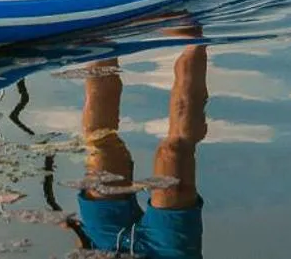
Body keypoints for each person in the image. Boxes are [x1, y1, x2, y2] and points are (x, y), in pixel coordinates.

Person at [75, 34, 209, 258]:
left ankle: (102, 37)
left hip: (106, 248)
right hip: (167, 254)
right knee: (173, 154)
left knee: (99, 147)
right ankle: (193, 40)